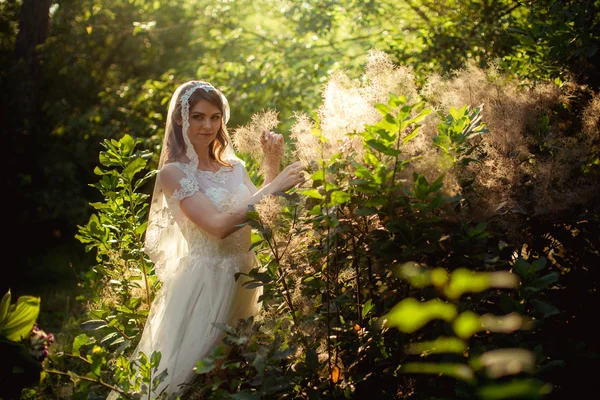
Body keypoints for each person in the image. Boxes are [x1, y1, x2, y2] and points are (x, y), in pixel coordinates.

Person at [107, 80, 304, 399]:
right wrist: (274, 185)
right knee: (192, 379)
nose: (208, 125)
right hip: (207, 284)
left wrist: (272, 163)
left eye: (215, 117)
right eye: (198, 116)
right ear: (181, 119)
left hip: (246, 278)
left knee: (233, 375)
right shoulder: (174, 174)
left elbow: (261, 214)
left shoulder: (235, 167)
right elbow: (217, 225)